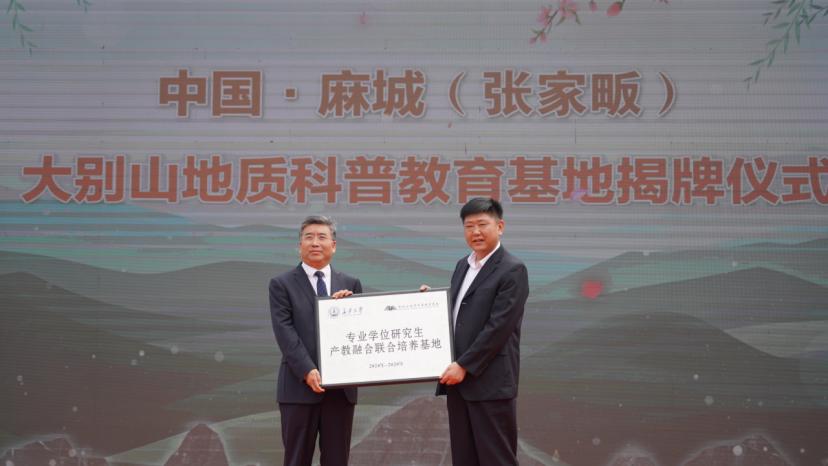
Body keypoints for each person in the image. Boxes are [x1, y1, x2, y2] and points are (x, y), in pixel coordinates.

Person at [436, 197, 530, 466]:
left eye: (482, 224)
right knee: (464, 458)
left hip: (490, 384)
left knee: (496, 459)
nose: (475, 232)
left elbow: (498, 328)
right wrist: (427, 304)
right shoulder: (462, 266)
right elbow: (457, 314)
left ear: (500, 227)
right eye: (469, 226)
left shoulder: (512, 269)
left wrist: (465, 365)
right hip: (458, 384)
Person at [269, 215, 362, 466]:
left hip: (340, 392)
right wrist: (307, 370)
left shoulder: (350, 284)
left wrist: (348, 310)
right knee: (296, 459)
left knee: (337, 460)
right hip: (299, 388)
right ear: (299, 245)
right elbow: (284, 331)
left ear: (334, 245)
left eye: (322, 237)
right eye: (308, 237)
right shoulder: (281, 284)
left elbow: (359, 333)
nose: (315, 243)